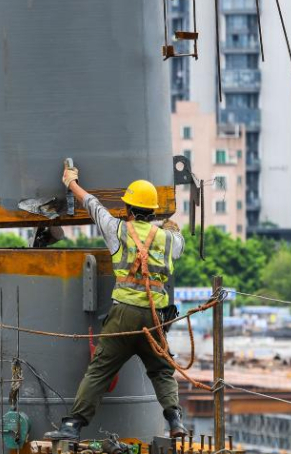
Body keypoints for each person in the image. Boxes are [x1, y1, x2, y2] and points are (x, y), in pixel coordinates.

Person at [44, 162, 189, 441]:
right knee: (161, 371)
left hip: (123, 316)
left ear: (129, 210)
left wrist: (71, 183)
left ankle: (72, 426)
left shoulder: (118, 230)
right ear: (153, 211)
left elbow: (93, 205)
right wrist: (172, 228)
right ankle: (175, 420)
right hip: (155, 317)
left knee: (100, 370)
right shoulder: (168, 240)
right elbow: (179, 240)